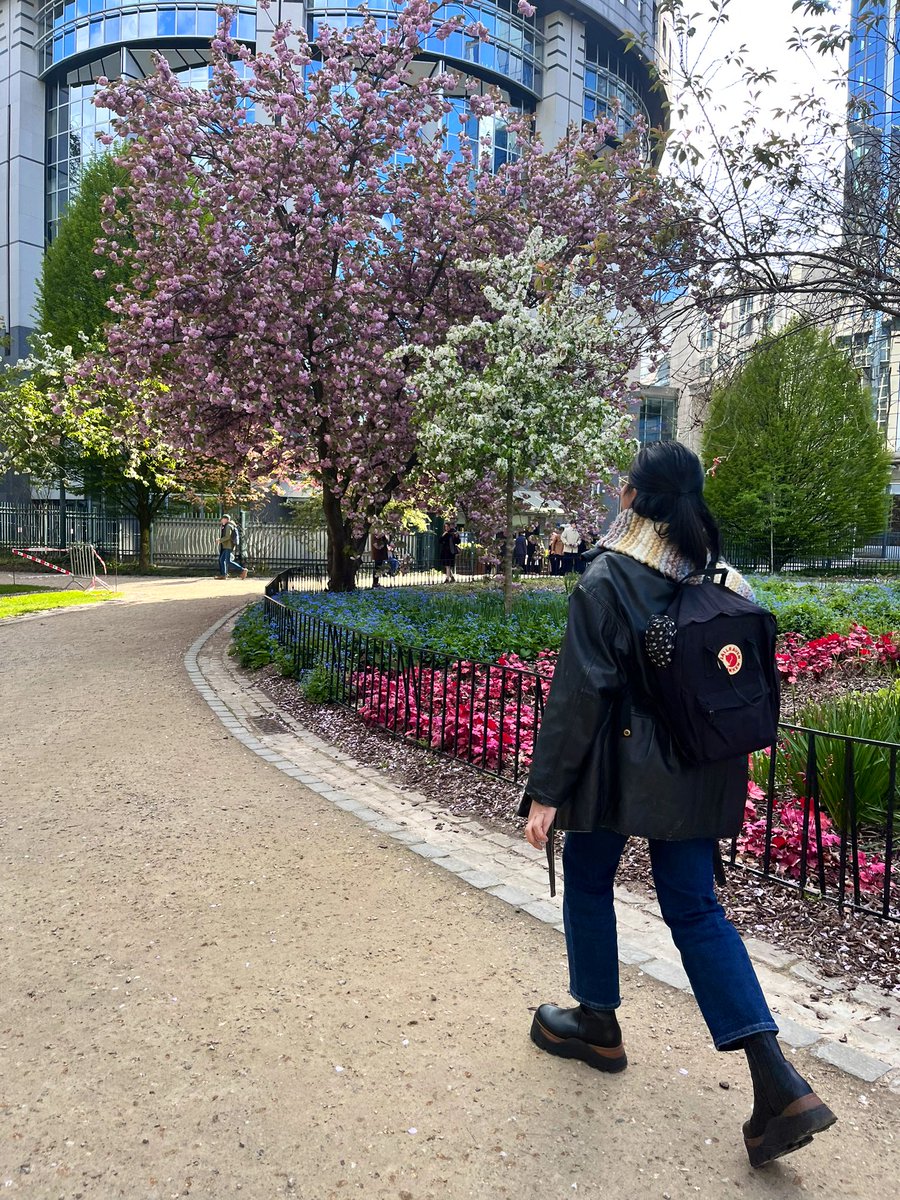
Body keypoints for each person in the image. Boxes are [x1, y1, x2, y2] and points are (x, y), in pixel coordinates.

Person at [520, 441, 835, 1170]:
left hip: (614, 768)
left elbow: (579, 694)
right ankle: (775, 1078)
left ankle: (598, 1025)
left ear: (635, 498)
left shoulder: (608, 576)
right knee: (695, 911)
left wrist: (546, 791)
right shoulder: (723, 573)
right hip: (700, 767)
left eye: (624, 484)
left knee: (591, 880)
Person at [218, 514, 247, 580]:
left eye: (222, 519)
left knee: (228, 561)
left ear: (226, 519)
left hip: (228, 546)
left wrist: (220, 540)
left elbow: (228, 536)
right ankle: (224, 575)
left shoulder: (228, 526)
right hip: (227, 546)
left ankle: (243, 570)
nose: (221, 520)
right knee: (222, 560)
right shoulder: (227, 525)